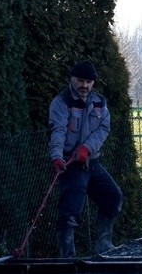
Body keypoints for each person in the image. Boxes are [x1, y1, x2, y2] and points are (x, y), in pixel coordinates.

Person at [48, 60, 123, 258]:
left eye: (89, 82)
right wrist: (57, 157)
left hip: (92, 162)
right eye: (80, 81)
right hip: (70, 165)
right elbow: (58, 131)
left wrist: (86, 149)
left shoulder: (99, 102)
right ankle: (67, 257)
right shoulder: (61, 102)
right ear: (72, 79)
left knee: (113, 197)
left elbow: (104, 128)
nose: (85, 86)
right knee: (70, 211)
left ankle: (103, 247)